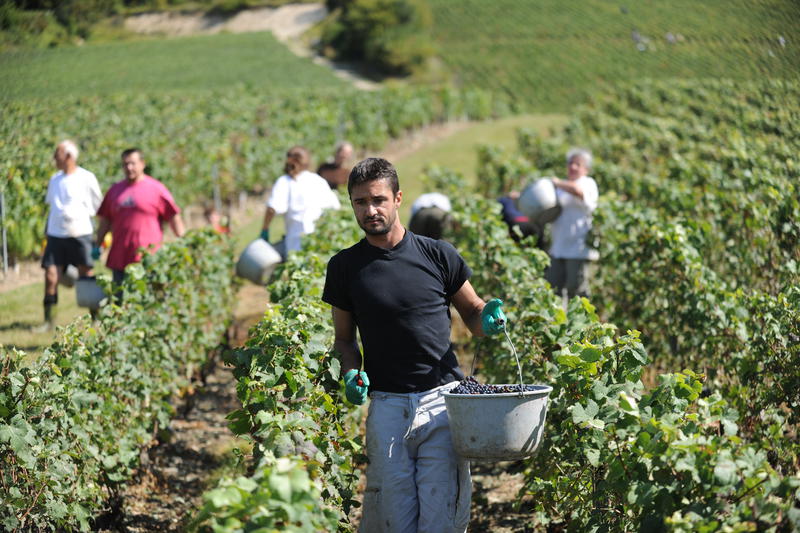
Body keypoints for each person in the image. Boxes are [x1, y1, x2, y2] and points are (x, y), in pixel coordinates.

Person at [322, 157, 508, 533]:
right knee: (395, 519)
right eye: (360, 202)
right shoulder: (344, 267)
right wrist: (350, 373)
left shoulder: (438, 255)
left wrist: (486, 318)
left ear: (398, 198)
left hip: (442, 403)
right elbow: (344, 340)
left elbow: (471, 311)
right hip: (387, 406)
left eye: (378, 200)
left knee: (440, 518)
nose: (370, 210)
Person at [36, 140, 103, 331]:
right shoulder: (55, 179)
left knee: (86, 274)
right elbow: (53, 208)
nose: (54, 158)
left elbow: (98, 206)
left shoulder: (87, 178)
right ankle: (49, 321)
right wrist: (47, 233)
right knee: (50, 275)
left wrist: (101, 236)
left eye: (57, 153)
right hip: (56, 234)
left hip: (80, 233)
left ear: (68, 156)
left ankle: (95, 317)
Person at [94, 148, 185, 285]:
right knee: (120, 300)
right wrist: (97, 245)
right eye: (125, 164)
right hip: (120, 257)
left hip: (148, 258)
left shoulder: (156, 189)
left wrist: (184, 242)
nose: (129, 168)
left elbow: (173, 216)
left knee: (146, 299)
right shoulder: (115, 191)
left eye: (132, 163)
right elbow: (106, 220)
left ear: (142, 164)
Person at [260, 145, 340, 255]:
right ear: (307, 162)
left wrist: (265, 230)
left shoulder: (285, 181)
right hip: (318, 241)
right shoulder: (318, 181)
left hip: (295, 243)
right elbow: (335, 207)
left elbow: (272, 209)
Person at [546, 147, 599, 300]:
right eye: (570, 163)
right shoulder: (561, 189)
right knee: (553, 288)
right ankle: (559, 321)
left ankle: (582, 322)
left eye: (578, 164)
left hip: (578, 247)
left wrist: (556, 182)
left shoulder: (587, 183)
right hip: (559, 247)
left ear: (586, 169)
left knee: (576, 289)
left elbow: (577, 191)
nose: (572, 167)